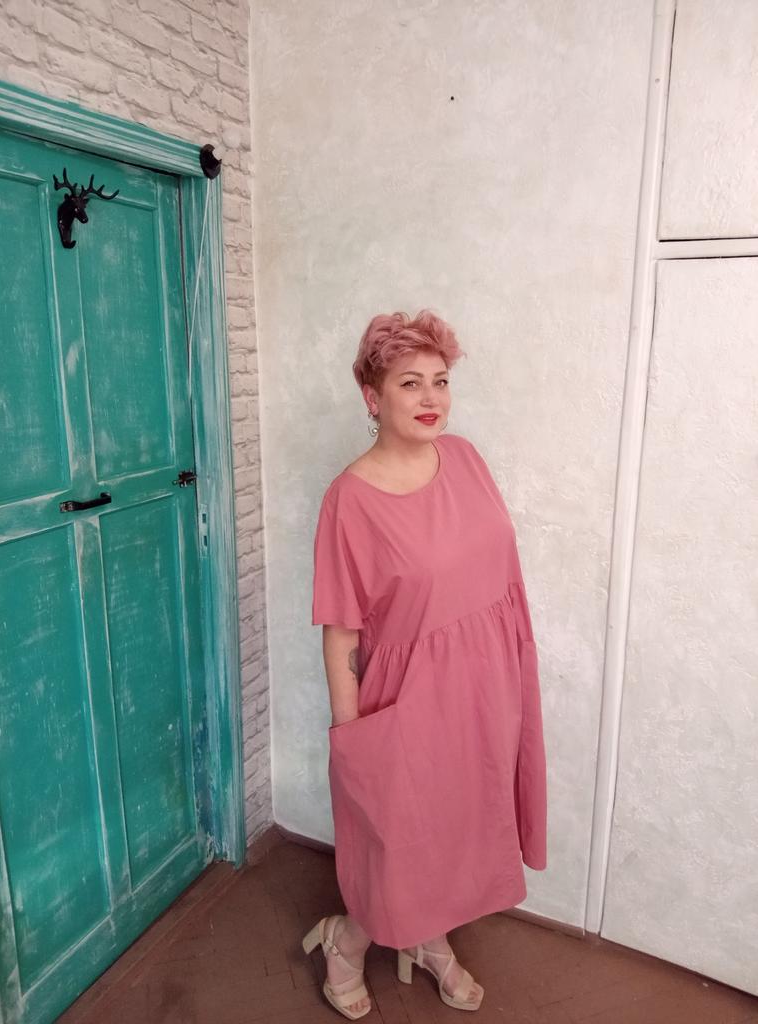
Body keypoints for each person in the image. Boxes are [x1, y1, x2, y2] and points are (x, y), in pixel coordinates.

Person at [302, 310, 548, 1019]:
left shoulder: (465, 458)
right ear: (371, 396)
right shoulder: (349, 500)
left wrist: (510, 674)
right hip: (406, 700)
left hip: (487, 684)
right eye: (409, 382)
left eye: (440, 380)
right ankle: (346, 941)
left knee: (461, 827)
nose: (430, 397)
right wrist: (352, 740)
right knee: (402, 839)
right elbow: (341, 633)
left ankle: (426, 938)